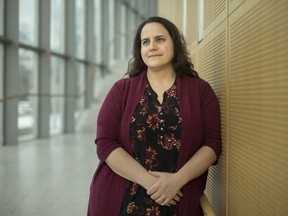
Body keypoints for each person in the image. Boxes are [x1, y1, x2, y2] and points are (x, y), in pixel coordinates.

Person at [87, 16, 221, 216]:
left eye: (160, 39)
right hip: (122, 201)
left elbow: (212, 144)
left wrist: (177, 181)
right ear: (140, 50)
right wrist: (152, 183)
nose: (152, 46)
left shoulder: (201, 90)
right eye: (145, 42)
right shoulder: (121, 90)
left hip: (177, 198)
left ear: (174, 44)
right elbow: (105, 143)